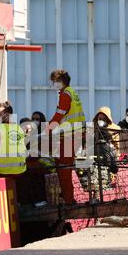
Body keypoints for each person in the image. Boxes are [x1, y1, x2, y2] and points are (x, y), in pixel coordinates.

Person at [45, 69, 86, 205]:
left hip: (70, 135)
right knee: (65, 165)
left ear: (61, 82)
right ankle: (67, 197)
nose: (54, 84)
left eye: (55, 81)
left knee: (63, 168)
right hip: (76, 133)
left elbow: (59, 115)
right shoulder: (72, 92)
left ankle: (68, 200)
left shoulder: (65, 95)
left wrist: (47, 129)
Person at [0, 101, 27, 176]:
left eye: (0, 113)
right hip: (20, 171)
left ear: (8, 114)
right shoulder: (19, 128)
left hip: (1, 171)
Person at [93, 107, 119, 174]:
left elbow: (118, 146)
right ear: (97, 119)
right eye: (100, 119)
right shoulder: (92, 128)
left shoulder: (114, 128)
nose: (101, 121)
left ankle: (112, 165)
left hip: (111, 153)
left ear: (108, 119)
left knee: (104, 144)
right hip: (95, 153)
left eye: (104, 119)